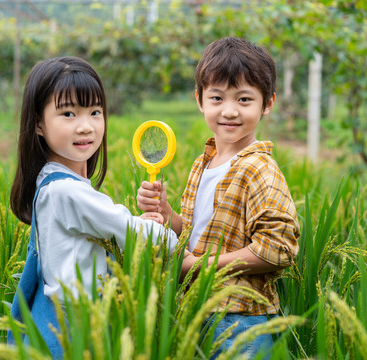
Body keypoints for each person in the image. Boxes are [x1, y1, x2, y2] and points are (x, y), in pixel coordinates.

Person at [137, 37, 300, 359]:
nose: (229, 111)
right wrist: (170, 217)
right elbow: (203, 235)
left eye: (244, 99)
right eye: (216, 97)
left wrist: (199, 266)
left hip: (241, 320)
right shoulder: (205, 162)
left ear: (267, 103)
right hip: (199, 309)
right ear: (199, 99)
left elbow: (279, 247)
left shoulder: (258, 170)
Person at [8, 56, 177, 359]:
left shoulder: (51, 184)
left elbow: (109, 230)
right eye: (69, 113)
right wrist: (166, 235)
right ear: (38, 124)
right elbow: (134, 234)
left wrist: (144, 221)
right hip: (74, 330)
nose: (85, 127)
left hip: (64, 321)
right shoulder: (67, 192)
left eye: (95, 112)